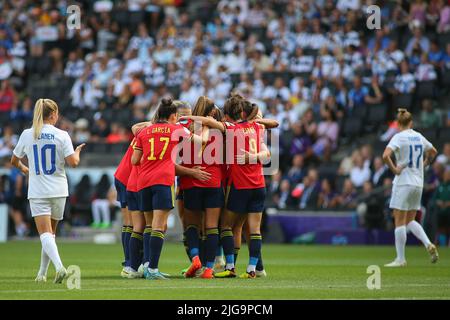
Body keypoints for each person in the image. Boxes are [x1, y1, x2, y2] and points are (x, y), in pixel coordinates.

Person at [131, 98, 208, 280]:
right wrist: (205, 126)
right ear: (174, 116)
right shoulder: (176, 129)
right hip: (163, 180)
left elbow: (135, 160)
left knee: (150, 225)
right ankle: (153, 269)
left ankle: (147, 265)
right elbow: (202, 141)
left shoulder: (145, 131)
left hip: (144, 181)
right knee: (159, 225)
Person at [10, 98, 85, 283]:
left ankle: (60, 268)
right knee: (50, 234)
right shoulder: (62, 134)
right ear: (53, 114)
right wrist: (77, 152)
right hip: (59, 190)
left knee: (45, 235)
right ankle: (42, 274)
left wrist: (25, 169)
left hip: (38, 191)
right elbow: (73, 163)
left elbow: (14, 161)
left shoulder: (28, 134)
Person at [382, 108, 438, 267]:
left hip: (403, 182)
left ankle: (400, 259)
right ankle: (428, 244)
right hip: (418, 183)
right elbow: (433, 151)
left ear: (398, 123)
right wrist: (425, 163)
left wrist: (394, 170)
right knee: (410, 220)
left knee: (399, 221)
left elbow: (385, 156)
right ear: (411, 122)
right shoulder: (419, 136)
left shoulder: (398, 137)